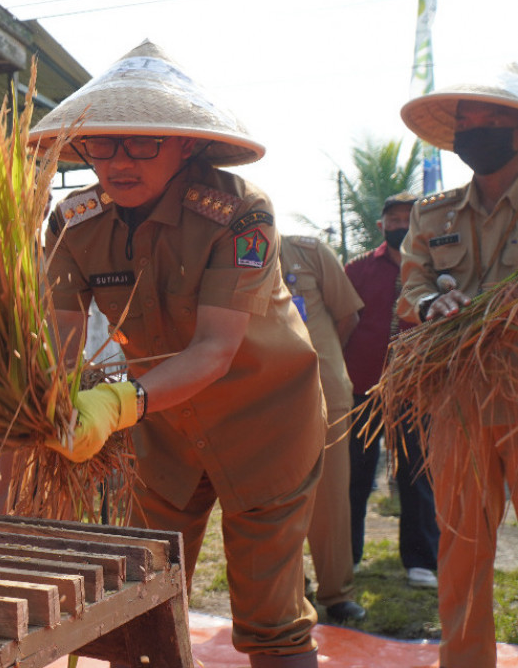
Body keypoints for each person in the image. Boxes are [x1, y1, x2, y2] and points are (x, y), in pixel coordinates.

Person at [29, 41, 325, 668]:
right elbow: (59, 332)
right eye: (102, 143)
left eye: (142, 143)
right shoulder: (74, 223)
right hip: (160, 430)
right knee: (142, 609)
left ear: (185, 144)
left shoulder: (240, 212)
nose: (117, 161)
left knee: (271, 621)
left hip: (264, 424)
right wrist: (47, 405)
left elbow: (216, 350)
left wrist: (115, 401)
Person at [397, 62, 518, 668]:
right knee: (462, 549)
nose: (473, 131)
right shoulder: (432, 213)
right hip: (456, 402)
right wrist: (429, 304)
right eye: (464, 124)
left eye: (487, 120)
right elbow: (410, 288)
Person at [342, 192, 439, 591]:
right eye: (394, 219)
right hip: (363, 389)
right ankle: (347, 557)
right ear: (382, 225)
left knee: (418, 475)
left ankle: (421, 561)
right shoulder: (358, 269)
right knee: (354, 476)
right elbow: (342, 321)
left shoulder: (438, 268)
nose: (402, 225)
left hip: (419, 390)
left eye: (409, 218)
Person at [278, 235, 365, 623]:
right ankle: (289, 590)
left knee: (331, 497)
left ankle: (337, 594)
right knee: (274, 500)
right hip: (261, 400)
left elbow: (348, 315)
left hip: (324, 391)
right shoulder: (219, 253)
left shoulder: (309, 252)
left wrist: (321, 357)